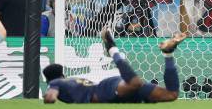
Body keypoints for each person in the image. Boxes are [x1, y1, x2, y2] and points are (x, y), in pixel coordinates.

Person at [43, 28, 185, 104]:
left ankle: (112, 50)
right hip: (116, 92)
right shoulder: (70, 79)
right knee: (171, 95)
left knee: (135, 83)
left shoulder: (55, 83)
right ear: (63, 74)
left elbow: (51, 97)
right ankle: (168, 53)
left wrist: (49, 95)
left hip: (103, 91)